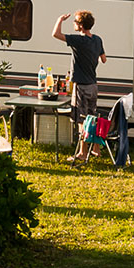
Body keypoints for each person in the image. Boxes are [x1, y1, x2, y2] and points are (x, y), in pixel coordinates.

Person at [53, 10, 106, 162]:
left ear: (81, 26)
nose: (74, 24)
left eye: (75, 22)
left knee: (82, 121)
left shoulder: (79, 40)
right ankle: (96, 149)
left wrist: (59, 19)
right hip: (93, 85)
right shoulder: (97, 39)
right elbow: (104, 59)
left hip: (81, 87)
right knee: (92, 117)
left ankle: (82, 153)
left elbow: (55, 34)